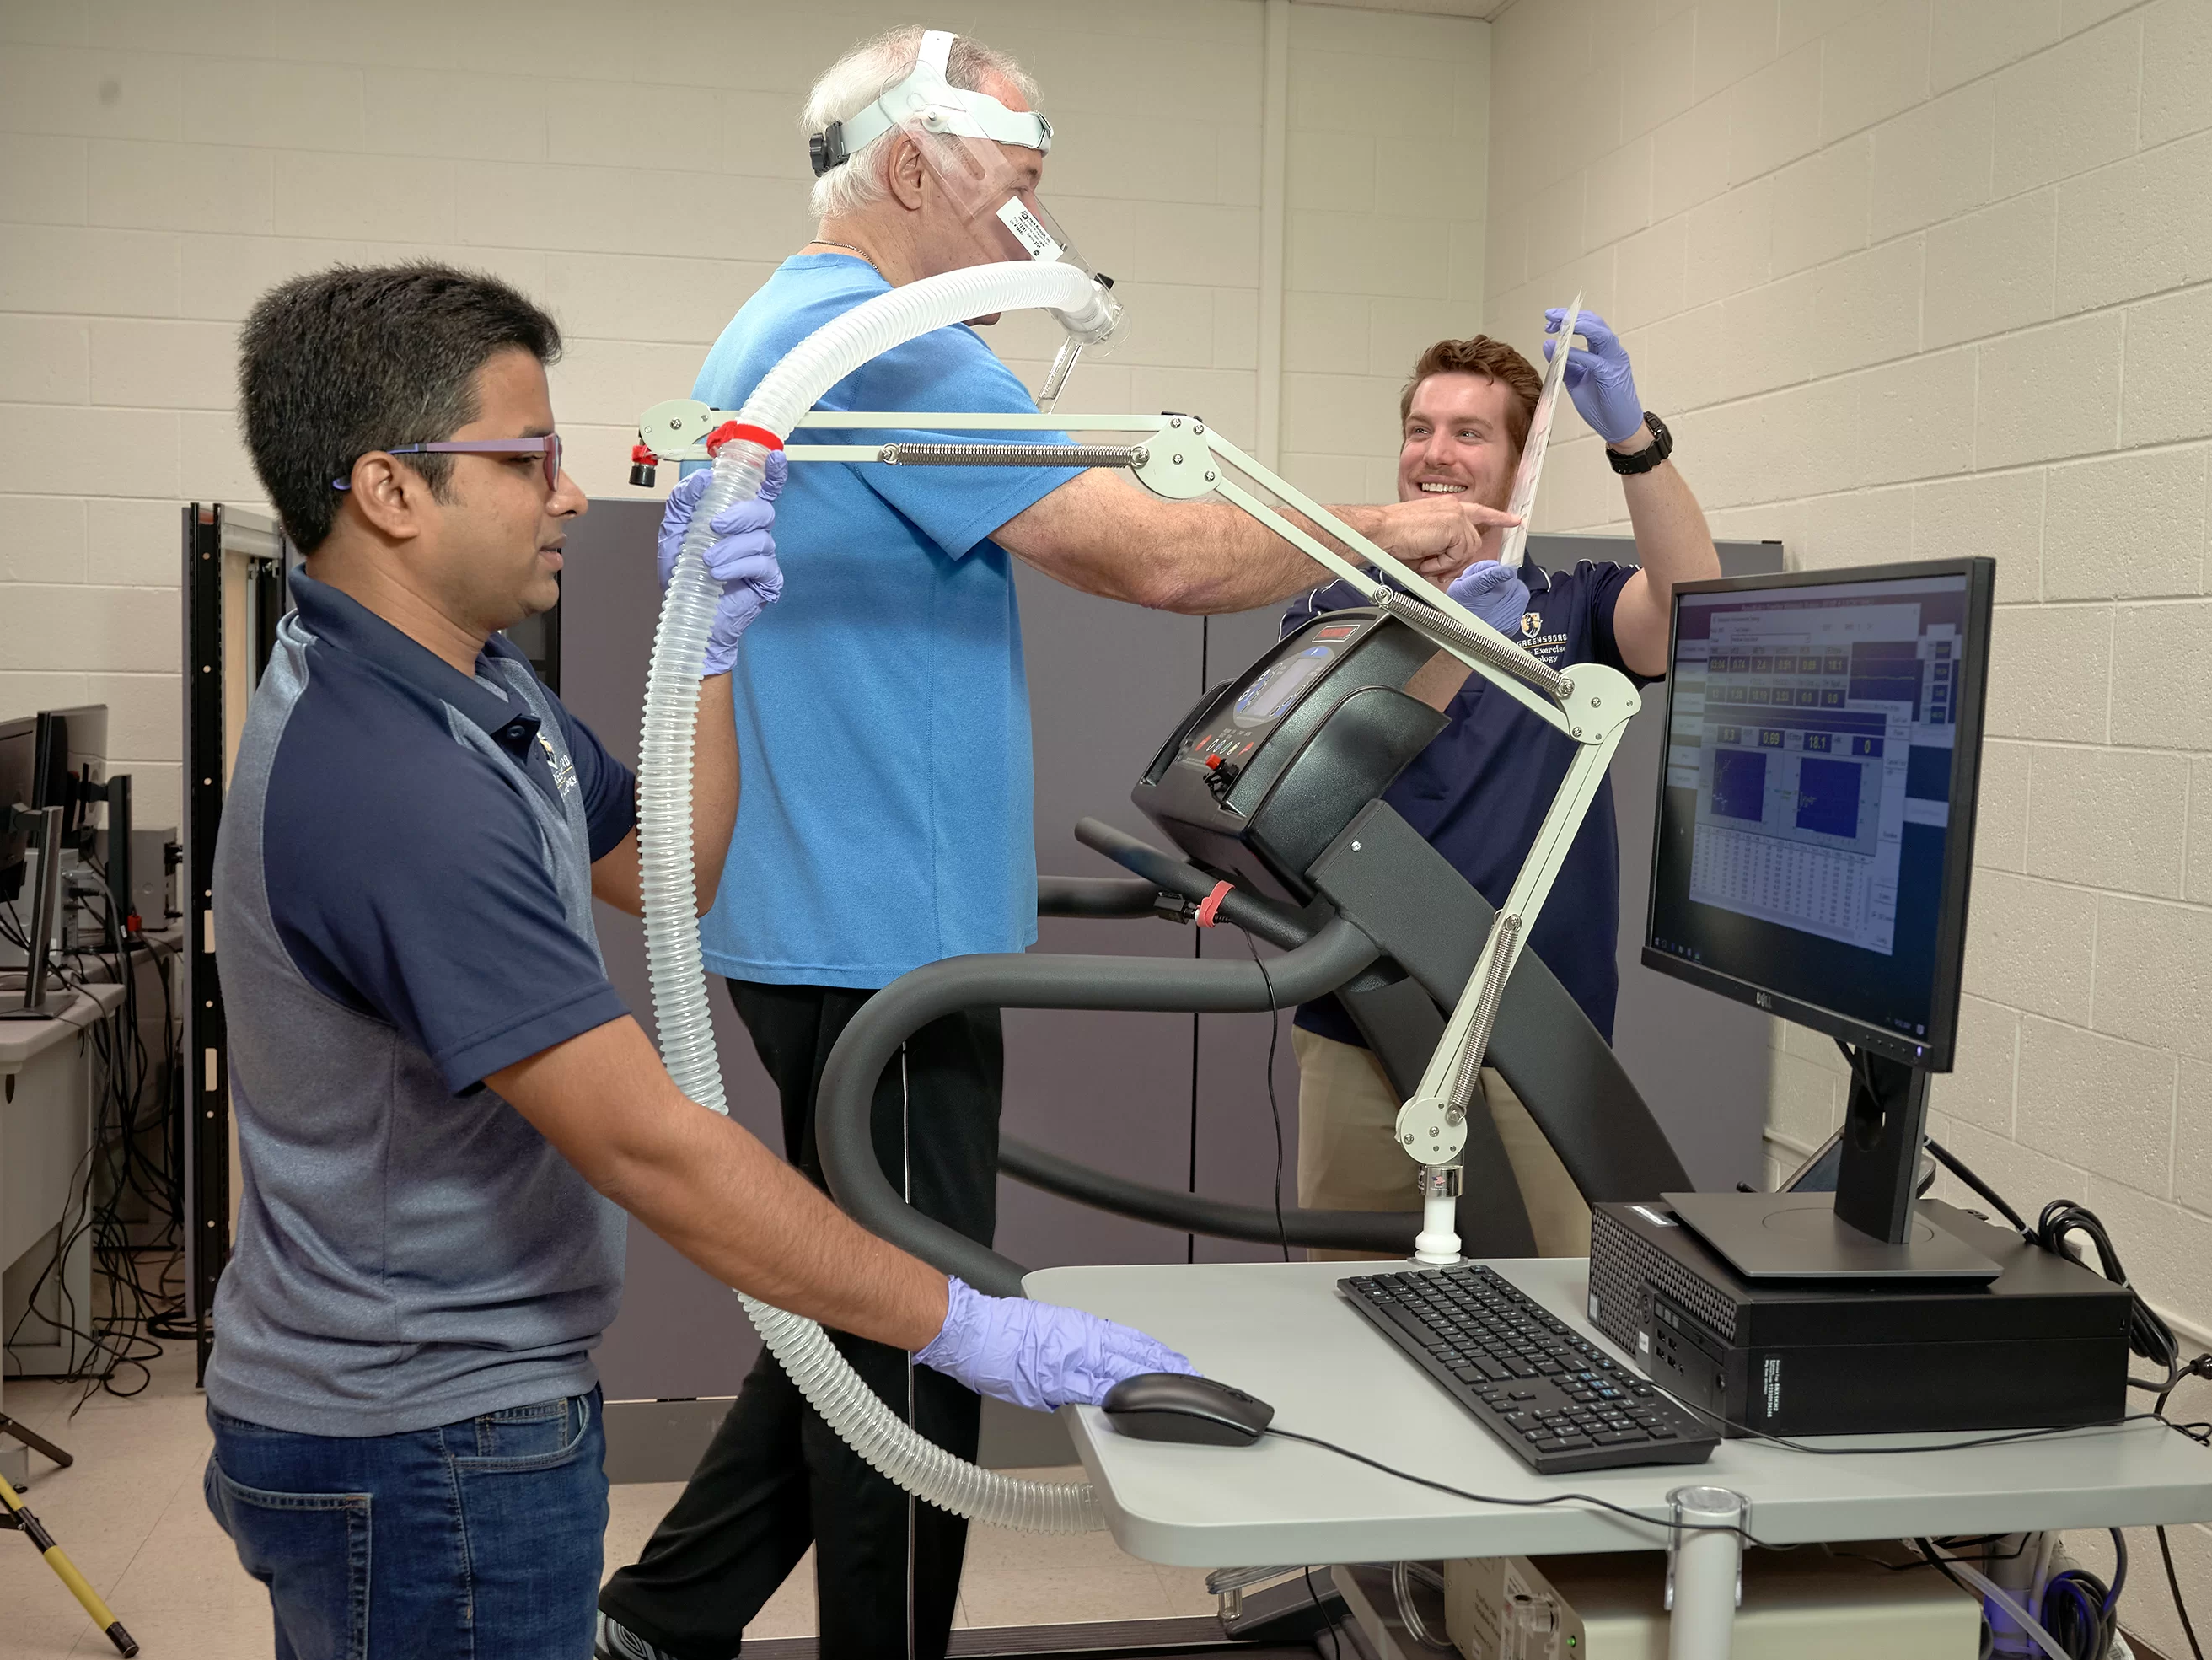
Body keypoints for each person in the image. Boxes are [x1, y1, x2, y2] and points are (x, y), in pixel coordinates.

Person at [595, 26, 1516, 1660]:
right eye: (1014, 190)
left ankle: (663, 1620)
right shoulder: (874, 339)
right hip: (877, 935)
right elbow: (1149, 555)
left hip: (831, 918)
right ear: (908, 170)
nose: (1031, 233)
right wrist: (1392, 534)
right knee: (910, 1343)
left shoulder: (787, 321)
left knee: (852, 1296)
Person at [203, 263, 1194, 1660]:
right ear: (391, 489)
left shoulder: (478, 682)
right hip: (419, 1432)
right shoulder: (393, 785)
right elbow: (655, 1146)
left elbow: (668, 864)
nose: (566, 491)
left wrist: (711, 646)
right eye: (528, 455)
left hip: (465, 1390)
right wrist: (966, 1325)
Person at [1283, 323, 1721, 1261]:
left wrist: (1633, 441)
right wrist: (1448, 638)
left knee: (1547, 1308)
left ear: (1522, 468)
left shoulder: (1570, 608)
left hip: (1540, 1033)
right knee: (1343, 1304)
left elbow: (1695, 612)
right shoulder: (1333, 607)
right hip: (1362, 1017)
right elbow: (1329, 762)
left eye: (1470, 433)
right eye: (1419, 427)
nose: (1435, 453)